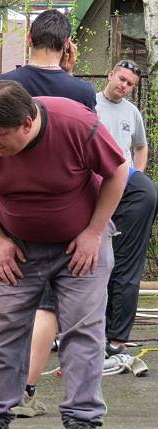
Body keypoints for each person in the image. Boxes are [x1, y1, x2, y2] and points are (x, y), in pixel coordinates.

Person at [0, 80, 128, 429]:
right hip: (16, 246)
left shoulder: (76, 124)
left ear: (28, 123)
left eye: (1, 137)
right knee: (1, 330)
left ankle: (83, 422)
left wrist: (95, 232)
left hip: (81, 244)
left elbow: (118, 173)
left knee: (83, 331)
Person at [0, 9, 98, 418]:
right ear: (67, 44)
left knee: (3, 316)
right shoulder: (80, 93)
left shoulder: (6, 85)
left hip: (11, 217)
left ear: (29, 41)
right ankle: (27, 390)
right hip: (60, 222)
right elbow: (96, 162)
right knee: (52, 311)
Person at [96, 60, 158, 358]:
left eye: (130, 84)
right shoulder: (89, 104)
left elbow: (140, 146)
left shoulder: (131, 113)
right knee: (91, 262)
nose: (124, 85)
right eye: (122, 79)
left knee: (124, 265)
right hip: (95, 189)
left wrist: (138, 173)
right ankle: (77, 330)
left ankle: (117, 338)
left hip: (127, 190)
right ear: (111, 75)